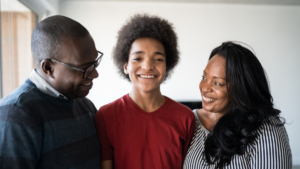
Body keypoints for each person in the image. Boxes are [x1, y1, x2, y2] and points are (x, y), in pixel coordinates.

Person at [0, 15, 103, 169]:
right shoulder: (16, 114)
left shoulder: (86, 107)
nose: (95, 74)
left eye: (95, 64)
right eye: (85, 68)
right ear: (48, 68)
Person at [95, 14, 195, 169]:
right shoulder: (106, 116)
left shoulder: (185, 117)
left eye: (158, 59)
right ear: (125, 66)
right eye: (137, 58)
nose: (148, 66)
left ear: (167, 68)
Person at [184, 41, 292, 169]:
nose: (205, 88)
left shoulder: (266, 130)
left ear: (241, 89)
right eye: (204, 77)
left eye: (217, 83)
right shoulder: (189, 121)